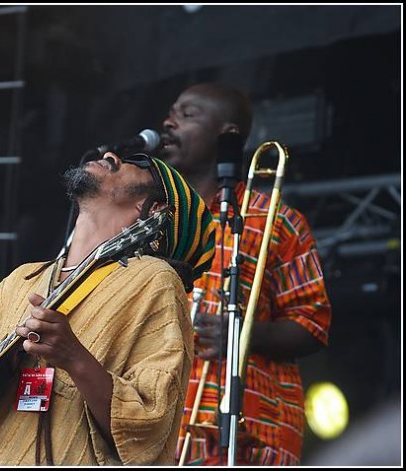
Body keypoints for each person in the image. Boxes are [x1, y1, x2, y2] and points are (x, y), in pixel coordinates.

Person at [0, 152, 217, 466]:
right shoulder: (23, 278)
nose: (112, 156)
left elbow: (150, 426)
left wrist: (73, 356)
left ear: (153, 208)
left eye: (138, 163)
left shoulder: (154, 281)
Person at [158, 82, 332, 465]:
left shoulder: (277, 220)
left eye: (187, 115)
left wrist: (243, 333)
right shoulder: (152, 221)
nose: (169, 123)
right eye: (171, 113)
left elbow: (312, 325)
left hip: (251, 431)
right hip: (158, 429)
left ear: (227, 134)